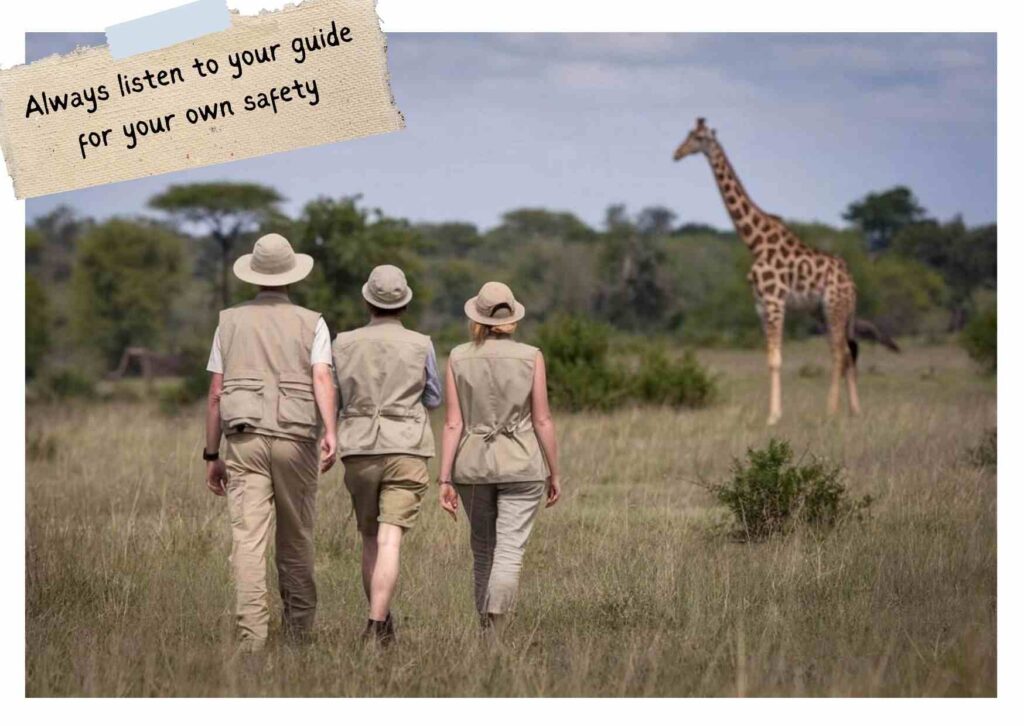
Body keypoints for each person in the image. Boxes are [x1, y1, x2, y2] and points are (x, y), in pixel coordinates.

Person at [203, 233, 337, 654]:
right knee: (296, 537)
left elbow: (215, 394)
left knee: (247, 540)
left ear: (254, 276)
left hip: (242, 438)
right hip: (296, 438)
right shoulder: (312, 321)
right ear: (292, 275)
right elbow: (321, 377)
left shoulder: (228, 321)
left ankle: (251, 640)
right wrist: (331, 430)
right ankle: (298, 637)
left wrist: (211, 454)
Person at [438, 281, 561, 632]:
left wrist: (443, 478)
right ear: (512, 317)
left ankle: (486, 629)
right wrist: (555, 473)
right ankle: (496, 628)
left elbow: (452, 424)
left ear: (477, 317)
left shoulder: (458, 356)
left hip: (471, 464)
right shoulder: (531, 355)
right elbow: (542, 419)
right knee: (510, 553)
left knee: (483, 552)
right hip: (523, 463)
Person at [333, 265, 442, 645]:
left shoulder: (342, 342)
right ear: (405, 304)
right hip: (407, 446)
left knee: (369, 539)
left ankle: (380, 622)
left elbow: (334, 395)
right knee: (390, 540)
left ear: (367, 300)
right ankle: (377, 624)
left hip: (359, 446)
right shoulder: (421, 343)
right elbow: (434, 396)